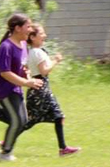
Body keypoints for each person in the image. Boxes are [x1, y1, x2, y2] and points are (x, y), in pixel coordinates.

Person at [0, 14, 44, 162]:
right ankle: (5, 153)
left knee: (23, 121)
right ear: (17, 28)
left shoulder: (23, 45)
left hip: (15, 85)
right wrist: (26, 83)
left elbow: (20, 66)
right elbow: (5, 73)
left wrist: (28, 75)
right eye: (28, 27)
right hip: (2, 87)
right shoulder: (5, 47)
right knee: (17, 121)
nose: (30, 30)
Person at [22, 24, 80, 156]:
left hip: (41, 89)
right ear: (32, 37)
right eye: (41, 33)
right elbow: (44, 71)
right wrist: (56, 60)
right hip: (41, 90)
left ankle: (63, 148)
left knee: (58, 116)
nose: (45, 35)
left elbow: (26, 68)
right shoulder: (37, 52)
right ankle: (8, 140)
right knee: (32, 120)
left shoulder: (33, 51)